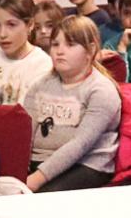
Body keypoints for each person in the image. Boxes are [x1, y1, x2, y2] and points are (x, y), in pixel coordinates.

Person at [24, 15, 122, 192]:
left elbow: (81, 144)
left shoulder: (102, 90)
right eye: (55, 44)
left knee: (43, 197)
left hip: (86, 164)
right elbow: (25, 132)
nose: (59, 51)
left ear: (90, 50)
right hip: (39, 160)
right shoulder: (40, 85)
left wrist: (36, 179)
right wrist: (18, 170)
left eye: (70, 45)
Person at [0, 0, 54, 106]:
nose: (2, 34)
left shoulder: (42, 63)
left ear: (30, 24)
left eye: (11, 24)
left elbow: (29, 112)